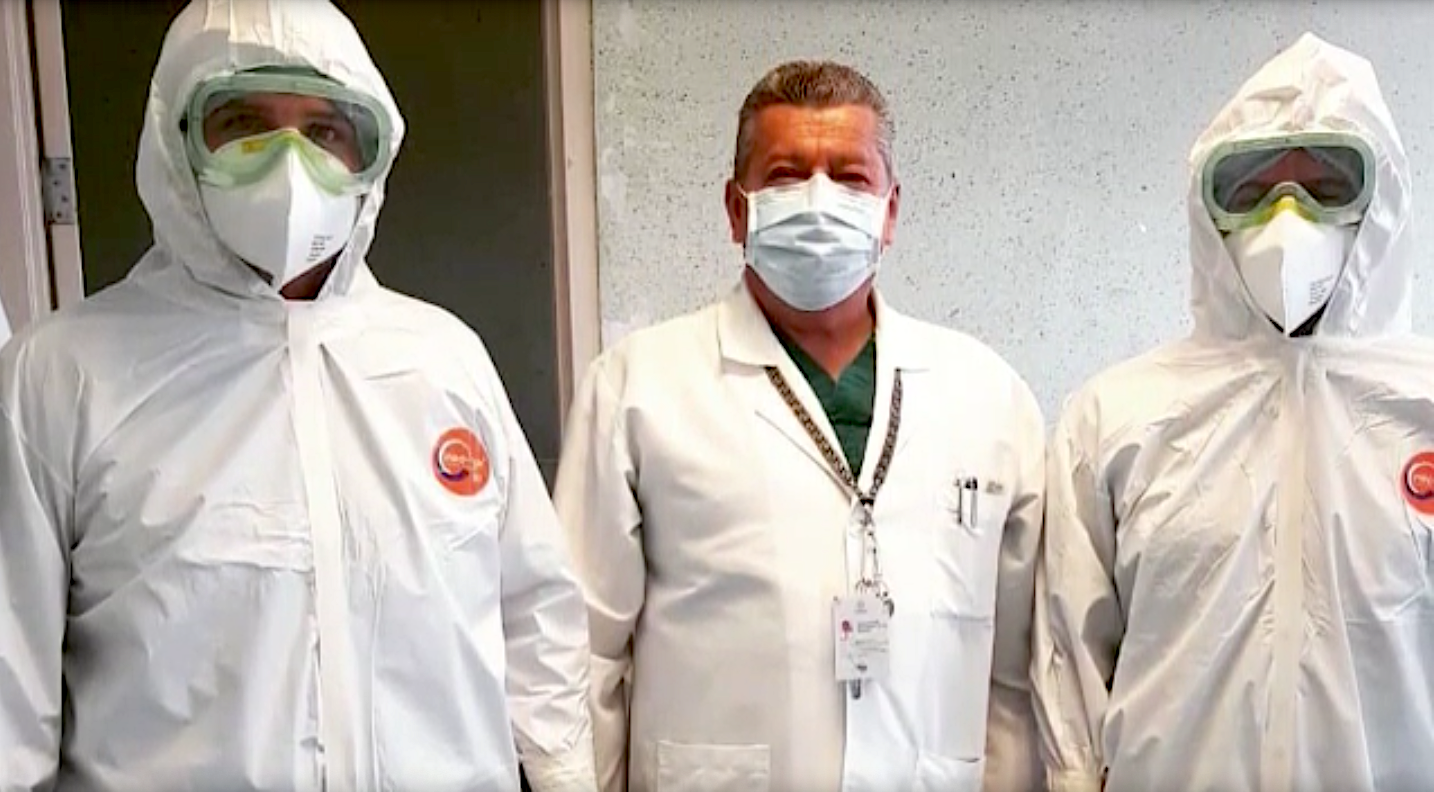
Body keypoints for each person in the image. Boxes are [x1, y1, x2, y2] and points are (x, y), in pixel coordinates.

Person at [0, 1, 595, 789]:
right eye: (243, 124)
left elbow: (536, 615)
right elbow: (10, 697)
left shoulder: (444, 361)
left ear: (367, 155)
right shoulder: (59, 377)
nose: (287, 164)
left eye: (324, 131)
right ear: (176, 140)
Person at [555, 60, 1045, 792]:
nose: (818, 201)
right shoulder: (637, 388)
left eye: (849, 178)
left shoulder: (988, 396)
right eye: (785, 176)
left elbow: (1019, 674)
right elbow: (582, 651)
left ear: (890, 212)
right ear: (736, 209)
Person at [1033, 33, 1433, 792]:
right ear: (1208, 209)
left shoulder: (1423, 403)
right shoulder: (1117, 417)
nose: (1288, 217)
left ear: (1381, 201)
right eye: (1253, 192)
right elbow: (1069, 667)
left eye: (1325, 185)